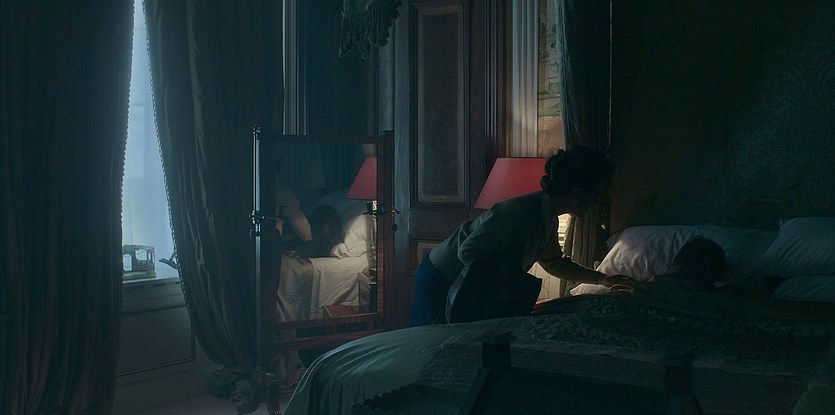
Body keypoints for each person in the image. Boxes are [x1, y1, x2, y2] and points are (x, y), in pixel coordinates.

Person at [409, 145, 629, 326]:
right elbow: (468, 251)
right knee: (428, 344)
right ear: (578, 194)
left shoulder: (548, 219)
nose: (597, 203)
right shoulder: (517, 213)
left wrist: (600, 278)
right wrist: (510, 278)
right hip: (441, 277)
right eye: (597, 196)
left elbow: (556, 264)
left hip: (461, 282)